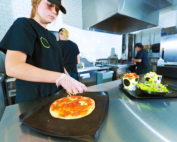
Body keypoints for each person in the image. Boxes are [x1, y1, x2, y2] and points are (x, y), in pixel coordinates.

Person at [0, 0, 87, 104]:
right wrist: (60, 78)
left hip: (54, 99)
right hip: (32, 103)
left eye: (57, 9)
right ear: (35, 3)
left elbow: (58, 64)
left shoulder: (51, 37)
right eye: (50, 5)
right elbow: (13, 67)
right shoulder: (24, 25)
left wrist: (69, 79)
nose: (54, 11)